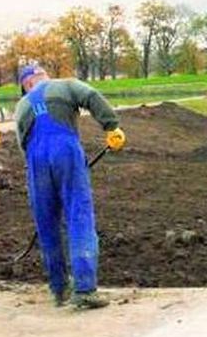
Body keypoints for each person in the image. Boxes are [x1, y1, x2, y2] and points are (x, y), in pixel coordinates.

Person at [16, 64, 126, 310]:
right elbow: (91, 96)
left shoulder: (22, 106)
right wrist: (111, 126)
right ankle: (85, 289)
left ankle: (59, 289)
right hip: (65, 150)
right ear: (43, 77)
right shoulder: (66, 85)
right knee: (79, 216)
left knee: (46, 224)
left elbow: (22, 143)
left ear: (27, 85)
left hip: (36, 161)